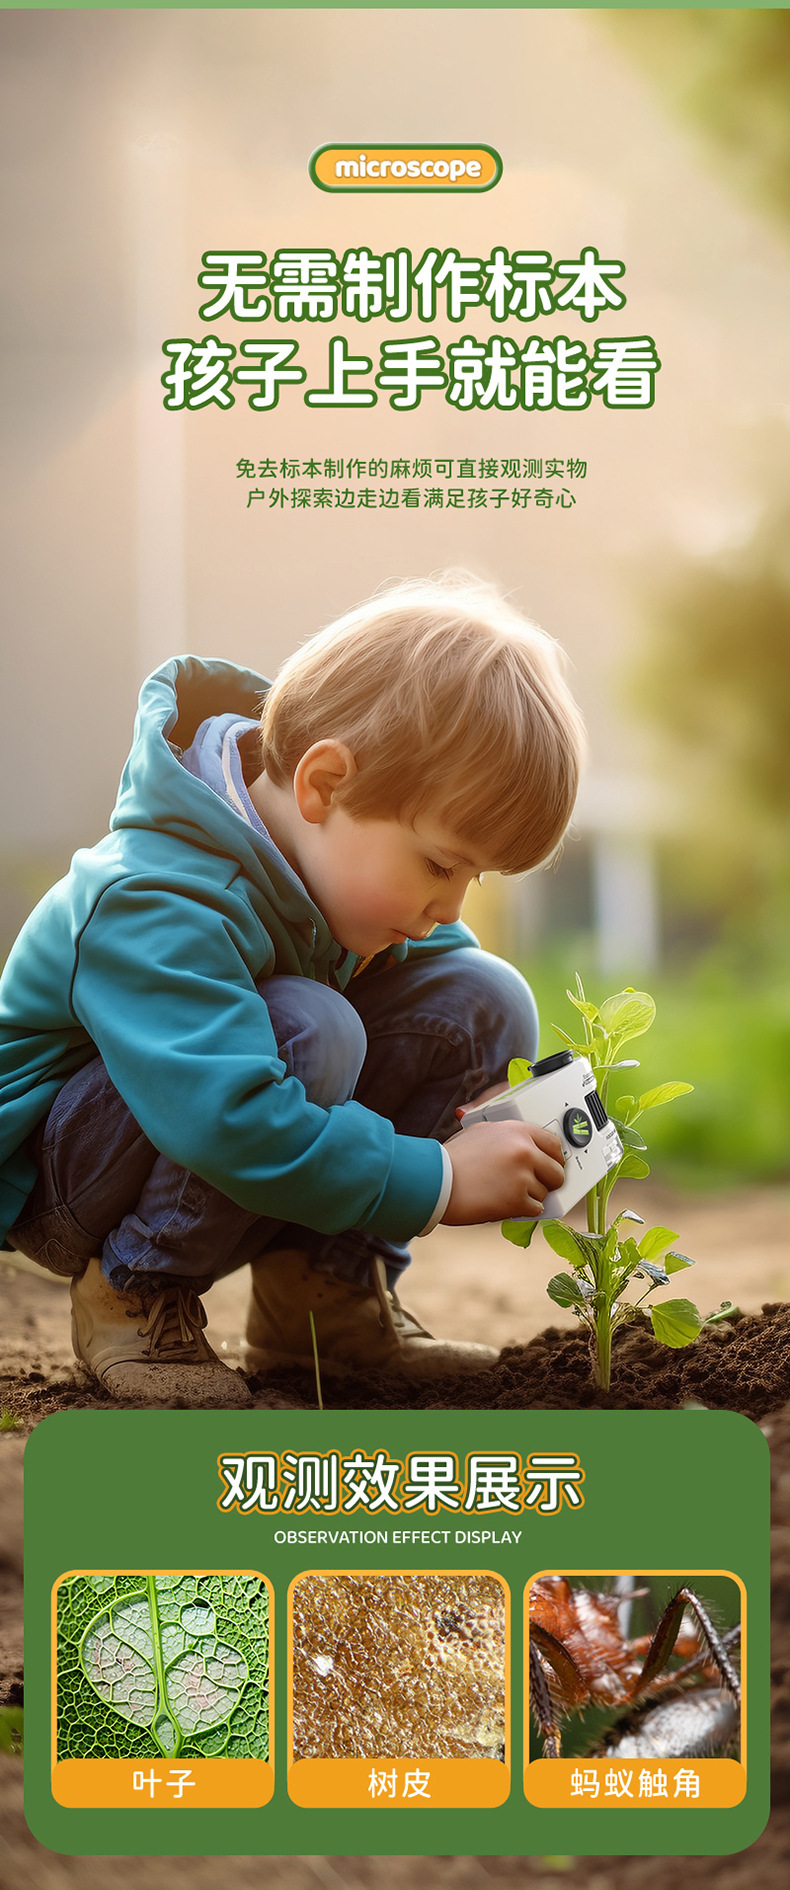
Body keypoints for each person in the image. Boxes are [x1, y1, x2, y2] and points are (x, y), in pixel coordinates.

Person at [0, 573, 585, 1407]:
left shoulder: (322, 862)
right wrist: (439, 1178)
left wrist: (500, 1090)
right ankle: (136, 1289)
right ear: (323, 785)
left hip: (220, 1125)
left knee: (483, 995)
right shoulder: (158, 898)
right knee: (313, 1025)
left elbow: (448, 985)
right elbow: (224, 1113)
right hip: (72, 1175)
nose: (447, 906)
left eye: (473, 876)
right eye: (439, 865)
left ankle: (320, 1297)